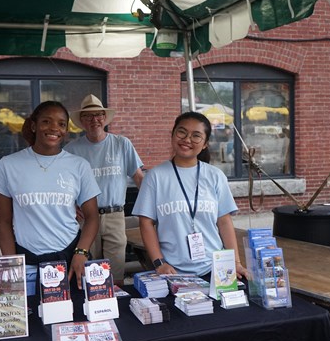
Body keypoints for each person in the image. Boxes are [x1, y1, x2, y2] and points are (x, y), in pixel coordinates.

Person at [0, 101, 101, 290]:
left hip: (70, 260)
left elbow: (92, 217)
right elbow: (3, 223)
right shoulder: (8, 165)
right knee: (30, 318)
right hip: (27, 264)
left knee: (72, 317)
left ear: (66, 130)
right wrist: (11, 265)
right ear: (34, 125)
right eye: (46, 121)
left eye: (61, 124)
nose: (54, 128)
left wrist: (81, 253)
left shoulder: (79, 166)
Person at [131, 112, 249, 281]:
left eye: (196, 136)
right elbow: (146, 223)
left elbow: (224, 222)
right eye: (182, 132)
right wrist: (159, 263)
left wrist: (235, 262)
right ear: (172, 134)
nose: (187, 139)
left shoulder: (215, 176)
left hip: (216, 268)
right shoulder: (155, 176)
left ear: (205, 144)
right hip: (172, 270)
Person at [64, 94, 144, 285]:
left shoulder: (121, 144)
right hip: (85, 219)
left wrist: (152, 210)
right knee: (90, 275)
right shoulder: (71, 150)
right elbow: (62, 186)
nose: (94, 120)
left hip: (115, 216)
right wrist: (68, 205)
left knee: (115, 274)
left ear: (104, 117)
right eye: (88, 116)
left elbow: (140, 178)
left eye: (98, 115)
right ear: (82, 121)